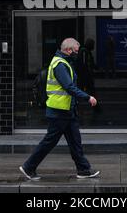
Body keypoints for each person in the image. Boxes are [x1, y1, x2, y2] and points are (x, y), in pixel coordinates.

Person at [19, 38, 100, 180]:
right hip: (59, 112)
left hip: (68, 111)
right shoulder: (60, 65)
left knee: (75, 141)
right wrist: (88, 97)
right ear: (68, 50)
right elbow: (69, 87)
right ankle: (28, 167)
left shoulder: (64, 62)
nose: (77, 54)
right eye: (75, 51)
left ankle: (83, 170)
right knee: (49, 142)